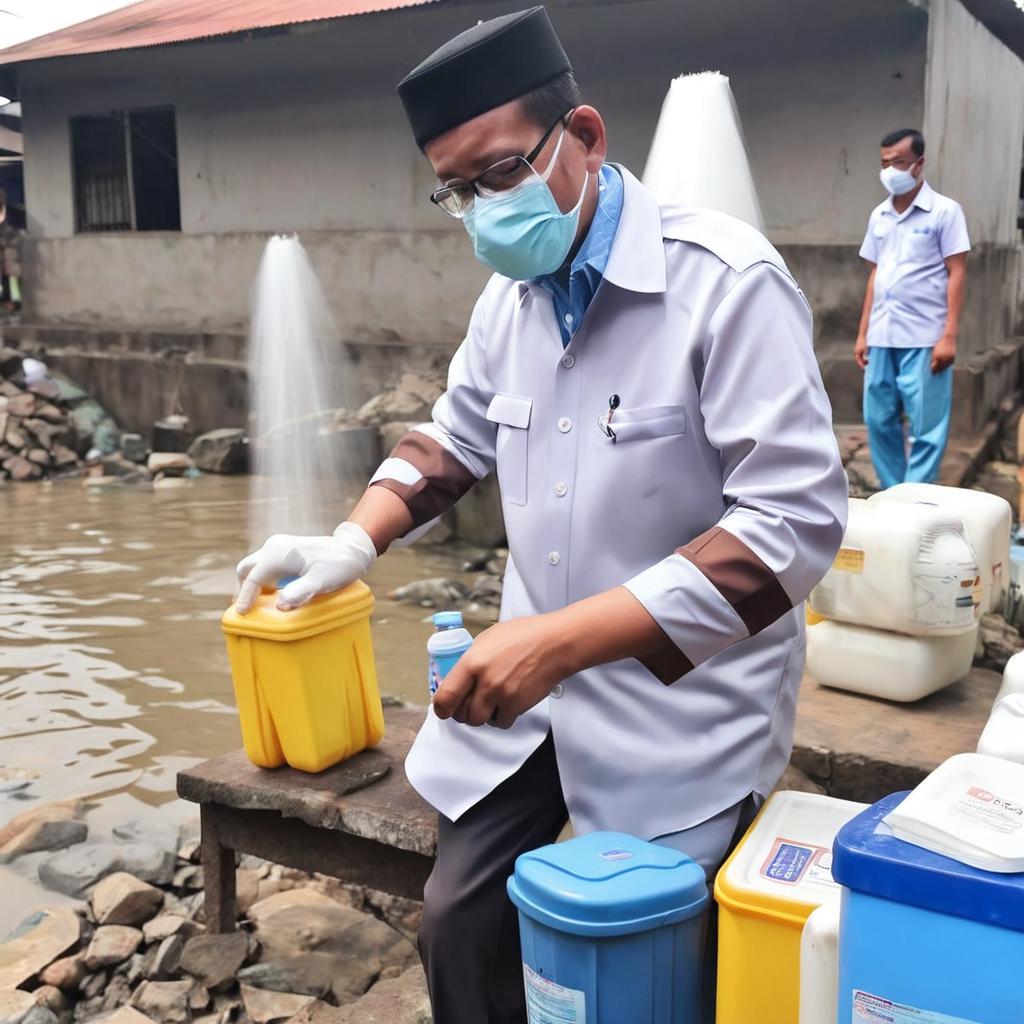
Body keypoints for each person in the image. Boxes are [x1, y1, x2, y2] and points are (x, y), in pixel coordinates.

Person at [235, 8, 847, 1021]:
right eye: (455, 191)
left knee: (651, 960)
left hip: (681, 709)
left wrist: (561, 642)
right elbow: (448, 442)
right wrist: (353, 537)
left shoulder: (725, 285)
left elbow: (787, 527)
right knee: (461, 921)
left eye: (499, 173)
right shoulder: (506, 301)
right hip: (530, 702)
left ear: (587, 138)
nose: (480, 211)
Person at [854, 128, 969, 489]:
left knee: (926, 426)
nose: (890, 170)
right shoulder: (879, 216)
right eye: (884, 163)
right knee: (879, 420)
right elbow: (876, 275)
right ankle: (892, 492)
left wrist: (949, 335)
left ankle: (916, 499)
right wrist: (862, 334)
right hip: (882, 334)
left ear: (919, 164)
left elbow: (957, 272)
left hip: (924, 336)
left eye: (898, 162)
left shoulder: (945, 212)